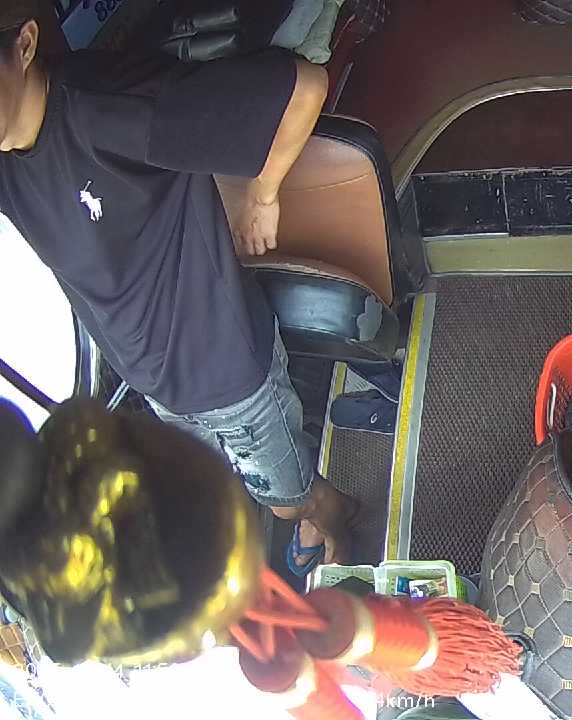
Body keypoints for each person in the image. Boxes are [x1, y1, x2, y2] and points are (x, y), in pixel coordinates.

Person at [0, 3, 355, 574]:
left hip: (227, 369)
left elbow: (303, 87)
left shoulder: (113, 108)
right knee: (218, 483)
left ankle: (332, 516)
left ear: (22, 46)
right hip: (156, 382)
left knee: (289, 499)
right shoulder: (7, 163)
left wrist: (261, 195)